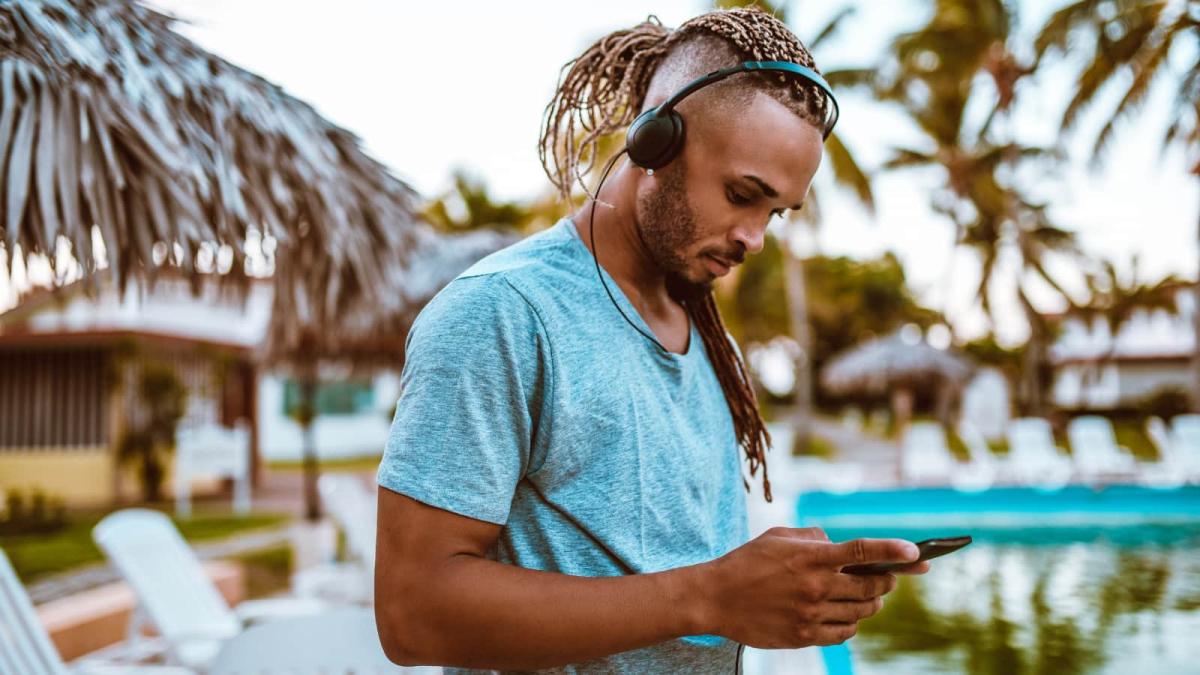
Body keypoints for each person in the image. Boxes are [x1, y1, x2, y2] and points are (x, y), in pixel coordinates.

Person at [375, 8, 928, 674]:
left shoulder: (699, 326)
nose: (754, 237)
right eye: (740, 194)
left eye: (774, 212)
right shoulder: (503, 313)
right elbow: (411, 613)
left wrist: (774, 584)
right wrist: (710, 596)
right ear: (655, 139)